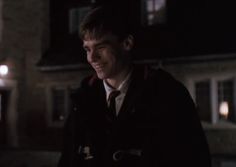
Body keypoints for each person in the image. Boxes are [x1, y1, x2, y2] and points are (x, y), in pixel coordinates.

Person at [58, 4, 211, 167]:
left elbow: (194, 159)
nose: (92, 57)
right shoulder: (82, 101)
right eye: (87, 49)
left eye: (101, 47)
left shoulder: (167, 95)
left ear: (127, 43)